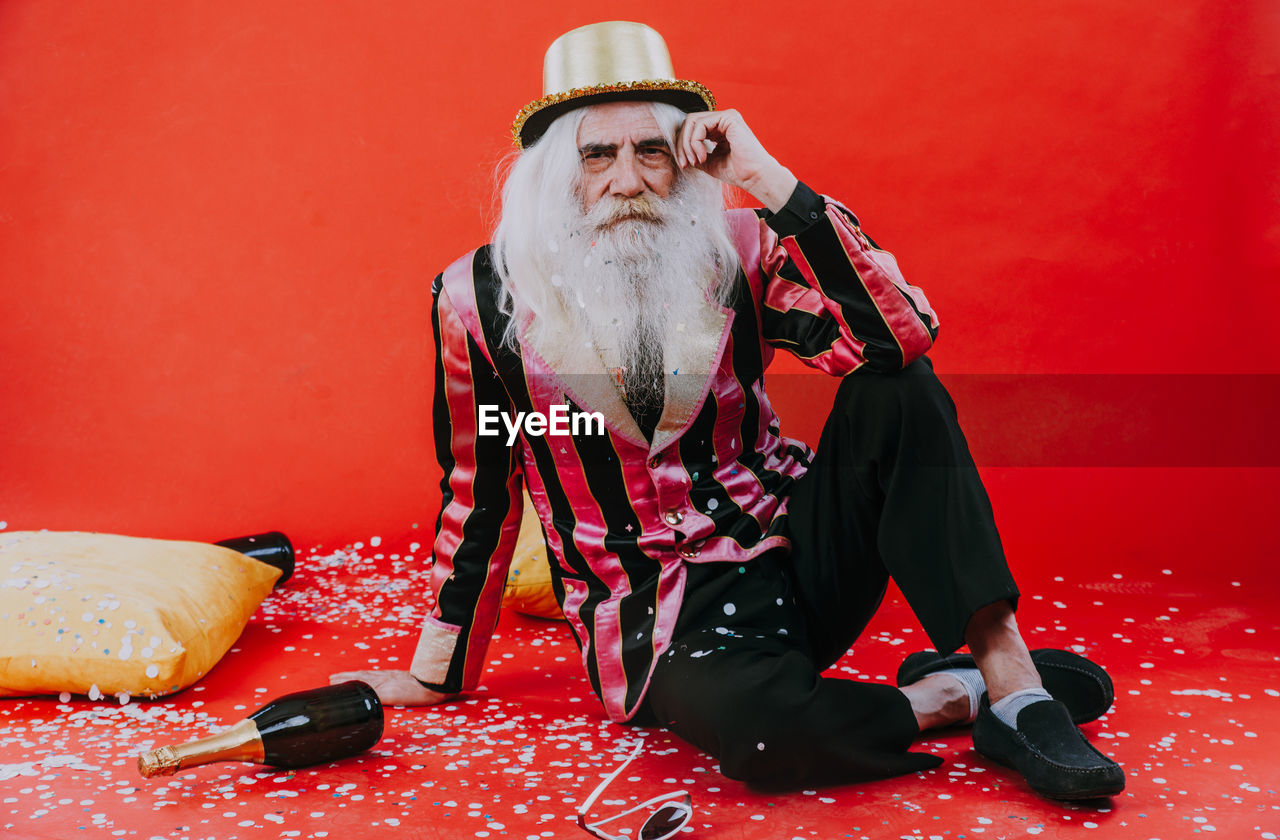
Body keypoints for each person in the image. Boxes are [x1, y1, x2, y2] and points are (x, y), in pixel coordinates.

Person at [333, 20, 1124, 801]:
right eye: (597, 156)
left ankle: (1016, 688)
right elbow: (482, 487)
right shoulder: (477, 300)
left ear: (685, 162)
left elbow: (897, 339)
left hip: (796, 558)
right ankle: (951, 696)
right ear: (555, 177)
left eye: (651, 151)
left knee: (901, 388)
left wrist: (770, 179)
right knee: (761, 733)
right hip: (657, 622)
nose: (628, 180)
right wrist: (435, 671)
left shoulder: (742, 247)